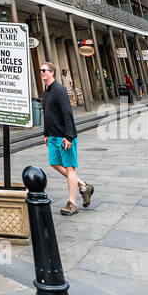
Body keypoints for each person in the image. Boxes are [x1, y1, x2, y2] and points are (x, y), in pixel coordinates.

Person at [39, 62, 92, 215]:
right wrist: (46, 134)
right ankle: (83, 186)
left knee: (70, 169)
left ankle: (72, 203)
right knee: (54, 163)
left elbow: (67, 113)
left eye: (44, 70)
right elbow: (47, 114)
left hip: (64, 137)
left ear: (52, 72)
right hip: (53, 137)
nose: (42, 72)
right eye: (41, 71)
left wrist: (68, 136)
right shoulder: (47, 90)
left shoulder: (59, 90)